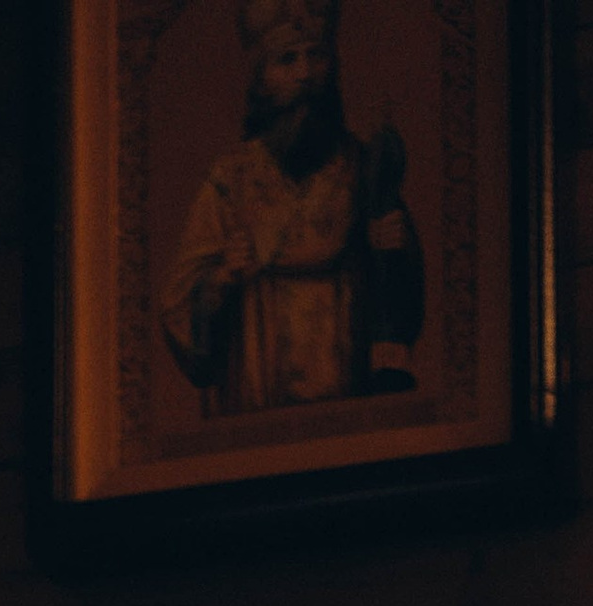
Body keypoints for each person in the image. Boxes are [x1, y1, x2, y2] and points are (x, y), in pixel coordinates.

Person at [158, 0, 423, 417]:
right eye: (287, 60)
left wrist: (386, 248)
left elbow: (399, 296)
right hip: (255, 394)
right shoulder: (231, 181)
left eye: (315, 56)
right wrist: (223, 278)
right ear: (261, 80)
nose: (305, 75)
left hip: (346, 400)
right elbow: (178, 306)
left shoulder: (361, 168)